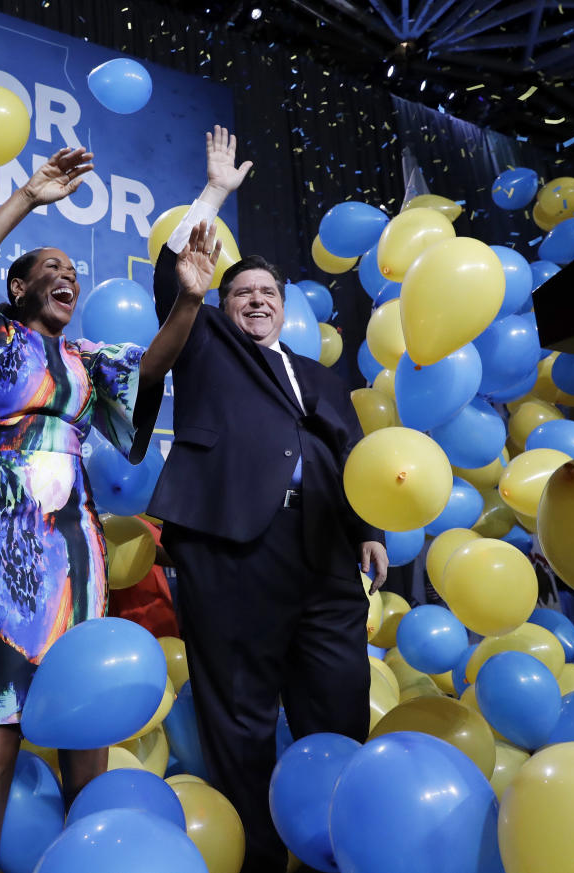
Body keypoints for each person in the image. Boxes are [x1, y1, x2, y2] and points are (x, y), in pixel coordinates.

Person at [0, 146, 220, 873]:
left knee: (83, 683)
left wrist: (189, 298)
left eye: (74, 271)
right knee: (0, 691)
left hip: (77, 535)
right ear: (20, 283)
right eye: (53, 268)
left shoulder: (85, 359)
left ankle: (80, 848)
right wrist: (28, 198)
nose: (68, 277)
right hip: (1, 527)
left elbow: (153, 365)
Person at [149, 127, 389, 873]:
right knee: (242, 718)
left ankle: (334, 847)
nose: (255, 300)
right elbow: (176, 275)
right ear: (224, 304)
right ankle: (255, 856)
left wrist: (367, 528)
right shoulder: (205, 340)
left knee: (338, 701)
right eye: (242, 292)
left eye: (267, 293)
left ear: (285, 309)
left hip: (322, 557)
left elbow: (352, 455)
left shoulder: (321, 376)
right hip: (230, 549)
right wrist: (215, 194)